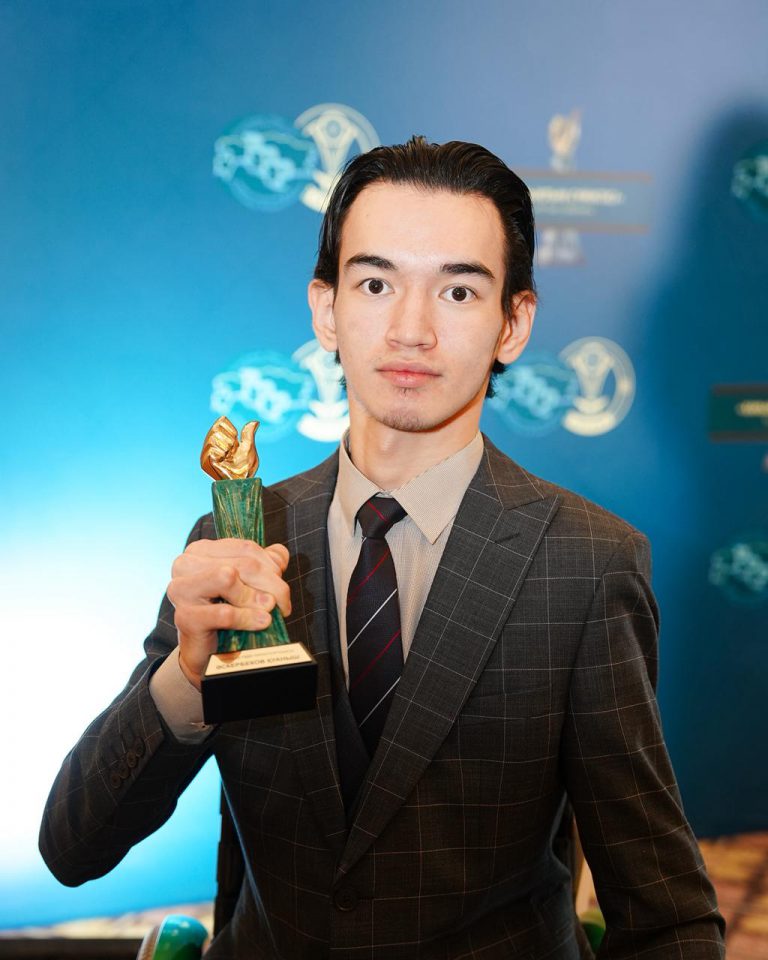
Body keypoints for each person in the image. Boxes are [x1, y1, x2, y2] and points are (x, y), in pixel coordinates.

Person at [40, 137, 725, 959]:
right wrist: (188, 676)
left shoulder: (586, 563)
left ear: (513, 324)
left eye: (459, 291)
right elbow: (74, 845)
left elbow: (666, 916)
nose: (411, 330)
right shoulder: (237, 536)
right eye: (375, 284)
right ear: (326, 309)